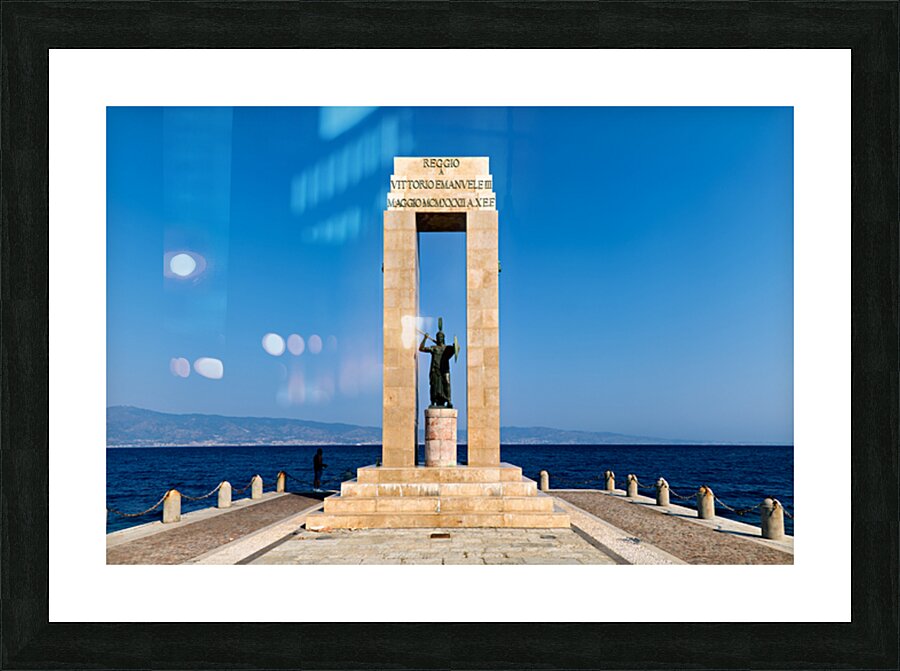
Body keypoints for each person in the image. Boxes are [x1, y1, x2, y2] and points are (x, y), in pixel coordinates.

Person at [419, 325, 457, 408]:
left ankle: (449, 400)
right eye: (438, 337)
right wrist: (425, 338)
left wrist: (455, 346)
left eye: (441, 337)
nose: (439, 338)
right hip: (435, 370)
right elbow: (421, 348)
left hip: (444, 370)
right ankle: (433, 402)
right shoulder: (434, 348)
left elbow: (456, 349)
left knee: (447, 384)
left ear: (443, 338)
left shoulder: (447, 348)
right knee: (434, 386)